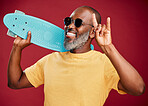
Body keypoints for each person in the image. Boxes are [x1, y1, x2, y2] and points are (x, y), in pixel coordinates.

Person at [7, 6, 145, 106]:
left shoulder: (104, 63)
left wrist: (108, 48)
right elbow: (15, 82)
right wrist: (16, 48)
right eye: (68, 21)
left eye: (78, 23)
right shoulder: (50, 60)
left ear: (92, 33)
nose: (70, 26)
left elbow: (138, 89)